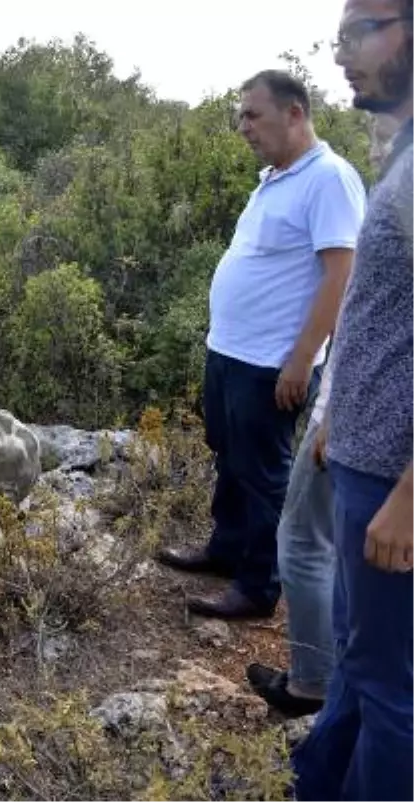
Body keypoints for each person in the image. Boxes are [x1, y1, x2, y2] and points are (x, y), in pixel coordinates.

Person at [156, 70, 366, 621]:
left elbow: (340, 276)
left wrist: (301, 359)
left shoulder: (329, 178)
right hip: (230, 351)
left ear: (294, 113)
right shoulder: (276, 177)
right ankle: (226, 549)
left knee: (262, 473)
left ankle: (256, 586)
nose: (242, 126)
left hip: (272, 362)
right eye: (240, 116)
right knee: (229, 455)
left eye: (253, 115)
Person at [292, 1, 414, 798]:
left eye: (360, 30)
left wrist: (411, 492)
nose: (341, 53)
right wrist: (340, 416)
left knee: (391, 694)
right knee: (358, 665)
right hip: (363, 459)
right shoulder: (401, 151)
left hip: (393, 487)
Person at [245, 355, 336, 718]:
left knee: (303, 544)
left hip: (355, 414)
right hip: (357, 412)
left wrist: (337, 413)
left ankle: (312, 685)